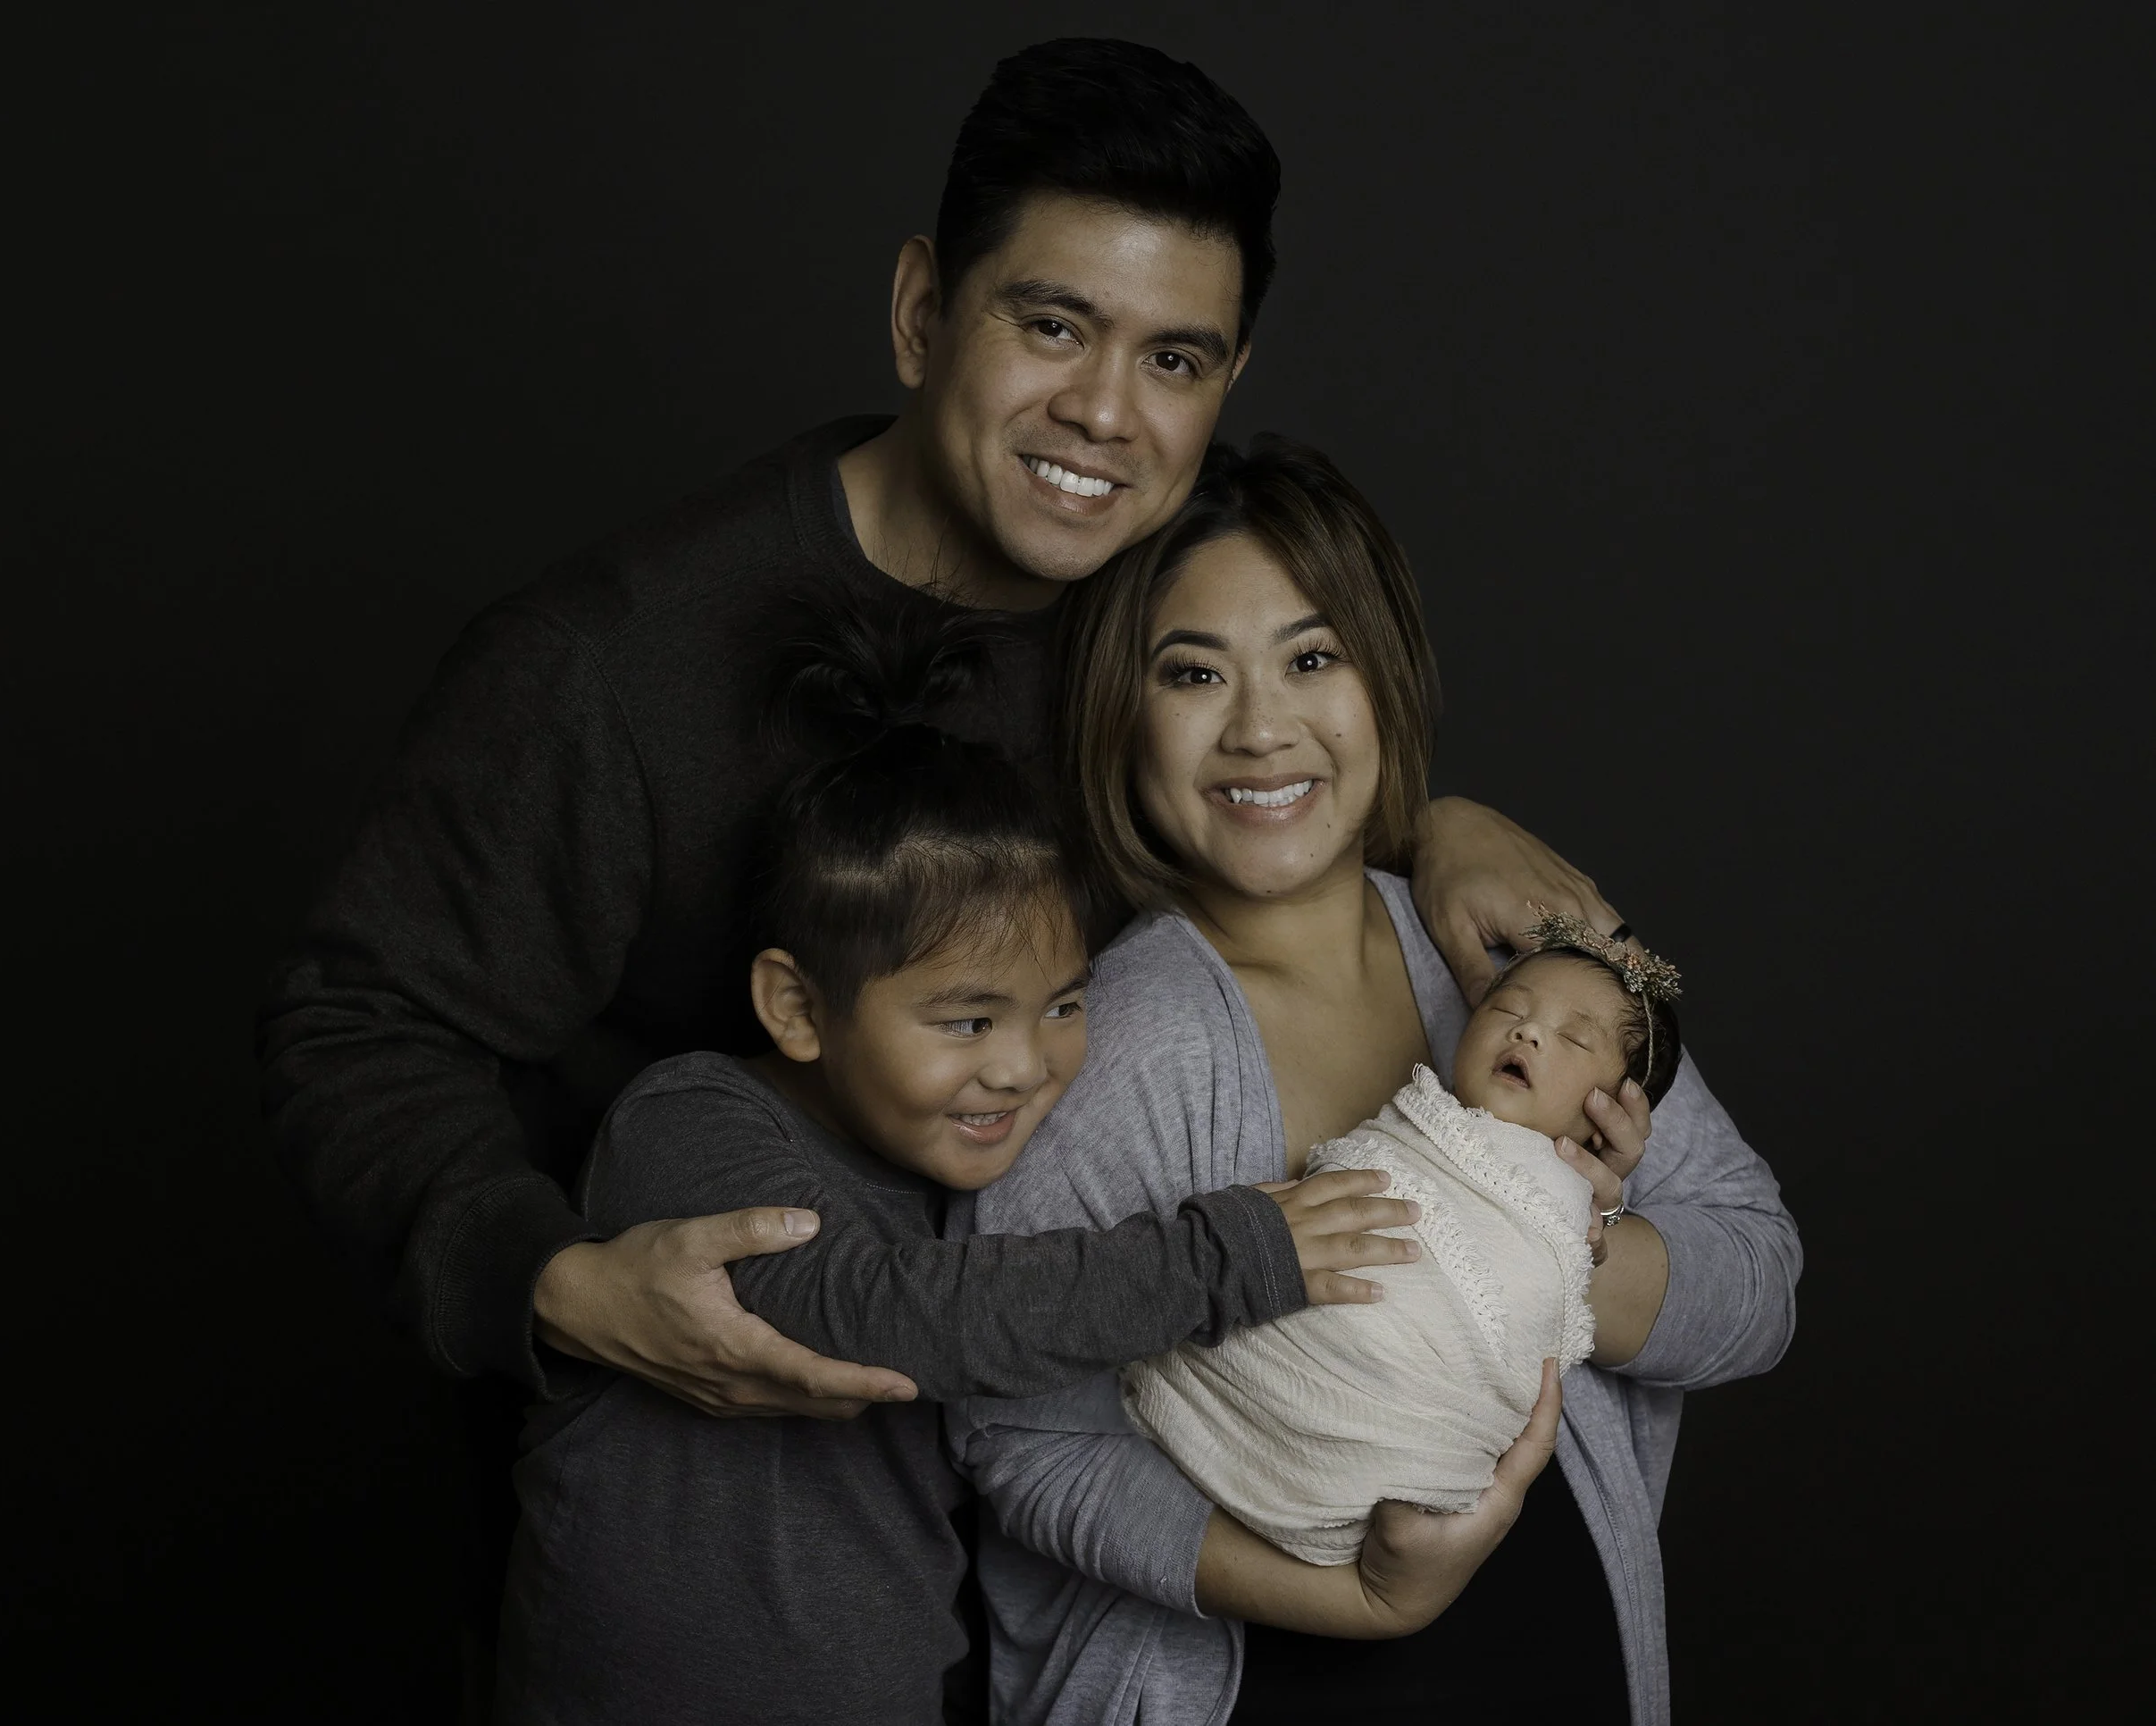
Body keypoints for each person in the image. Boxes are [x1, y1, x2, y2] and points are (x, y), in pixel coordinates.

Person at [256, 35, 1630, 1696]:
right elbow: (360, 1026)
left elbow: (1266, 764)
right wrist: (553, 1282)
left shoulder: (1144, 627)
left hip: (1057, 1573)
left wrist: (1434, 818)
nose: (1106, 413)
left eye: (1175, 358)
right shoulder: (610, 665)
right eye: (1052, 324)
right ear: (922, 312)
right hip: (737, 1537)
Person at [956, 439, 1801, 1726]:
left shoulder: (1520, 965)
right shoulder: (1110, 1050)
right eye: (1192, 672)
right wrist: (1357, 1599)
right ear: (1122, 713)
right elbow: (1016, 1437)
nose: (1260, 727)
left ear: (1383, 673)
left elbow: (1759, 1282)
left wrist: (1547, 1233)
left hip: (1563, 1666)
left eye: (1312, 657)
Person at [495, 599, 1423, 1723]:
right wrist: (1225, 1261)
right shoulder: (689, 1120)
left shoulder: (959, 1172)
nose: (1027, 1067)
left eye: (1065, 1004)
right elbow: (873, 1311)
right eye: (967, 1022)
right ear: (795, 1006)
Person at [1120, 918, 1685, 1565]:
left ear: (1611, 1110)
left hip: (1413, 1441)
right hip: (1293, 1370)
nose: (1527, 1030)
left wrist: (1591, 1220)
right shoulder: (1418, 1122)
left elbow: (1535, 1302)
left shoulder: (1569, 1200)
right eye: (1508, 1008)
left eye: (1573, 1038)